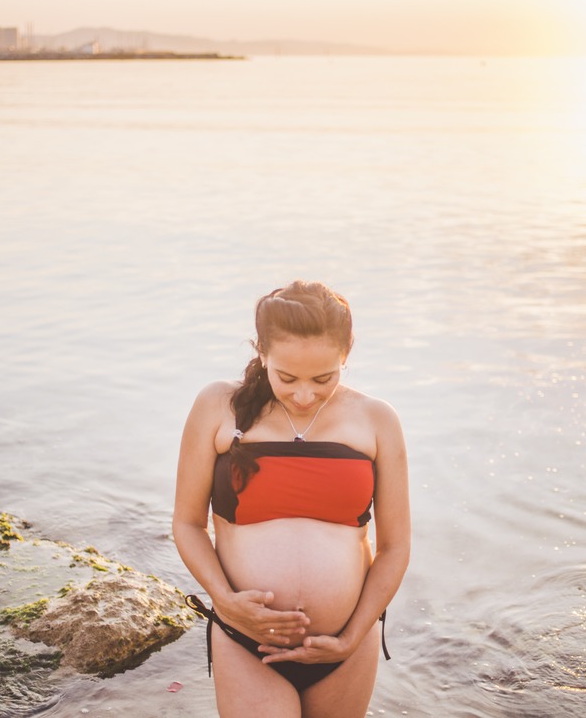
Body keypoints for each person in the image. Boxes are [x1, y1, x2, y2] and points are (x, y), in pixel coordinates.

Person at [173, 280, 411, 718]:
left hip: (345, 647)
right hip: (247, 640)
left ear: (346, 354)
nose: (304, 395)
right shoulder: (217, 406)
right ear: (261, 352)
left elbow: (395, 548)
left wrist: (352, 636)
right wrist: (224, 601)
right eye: (286, 377)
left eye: (324, 378)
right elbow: (187, 524)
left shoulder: (377, 420)